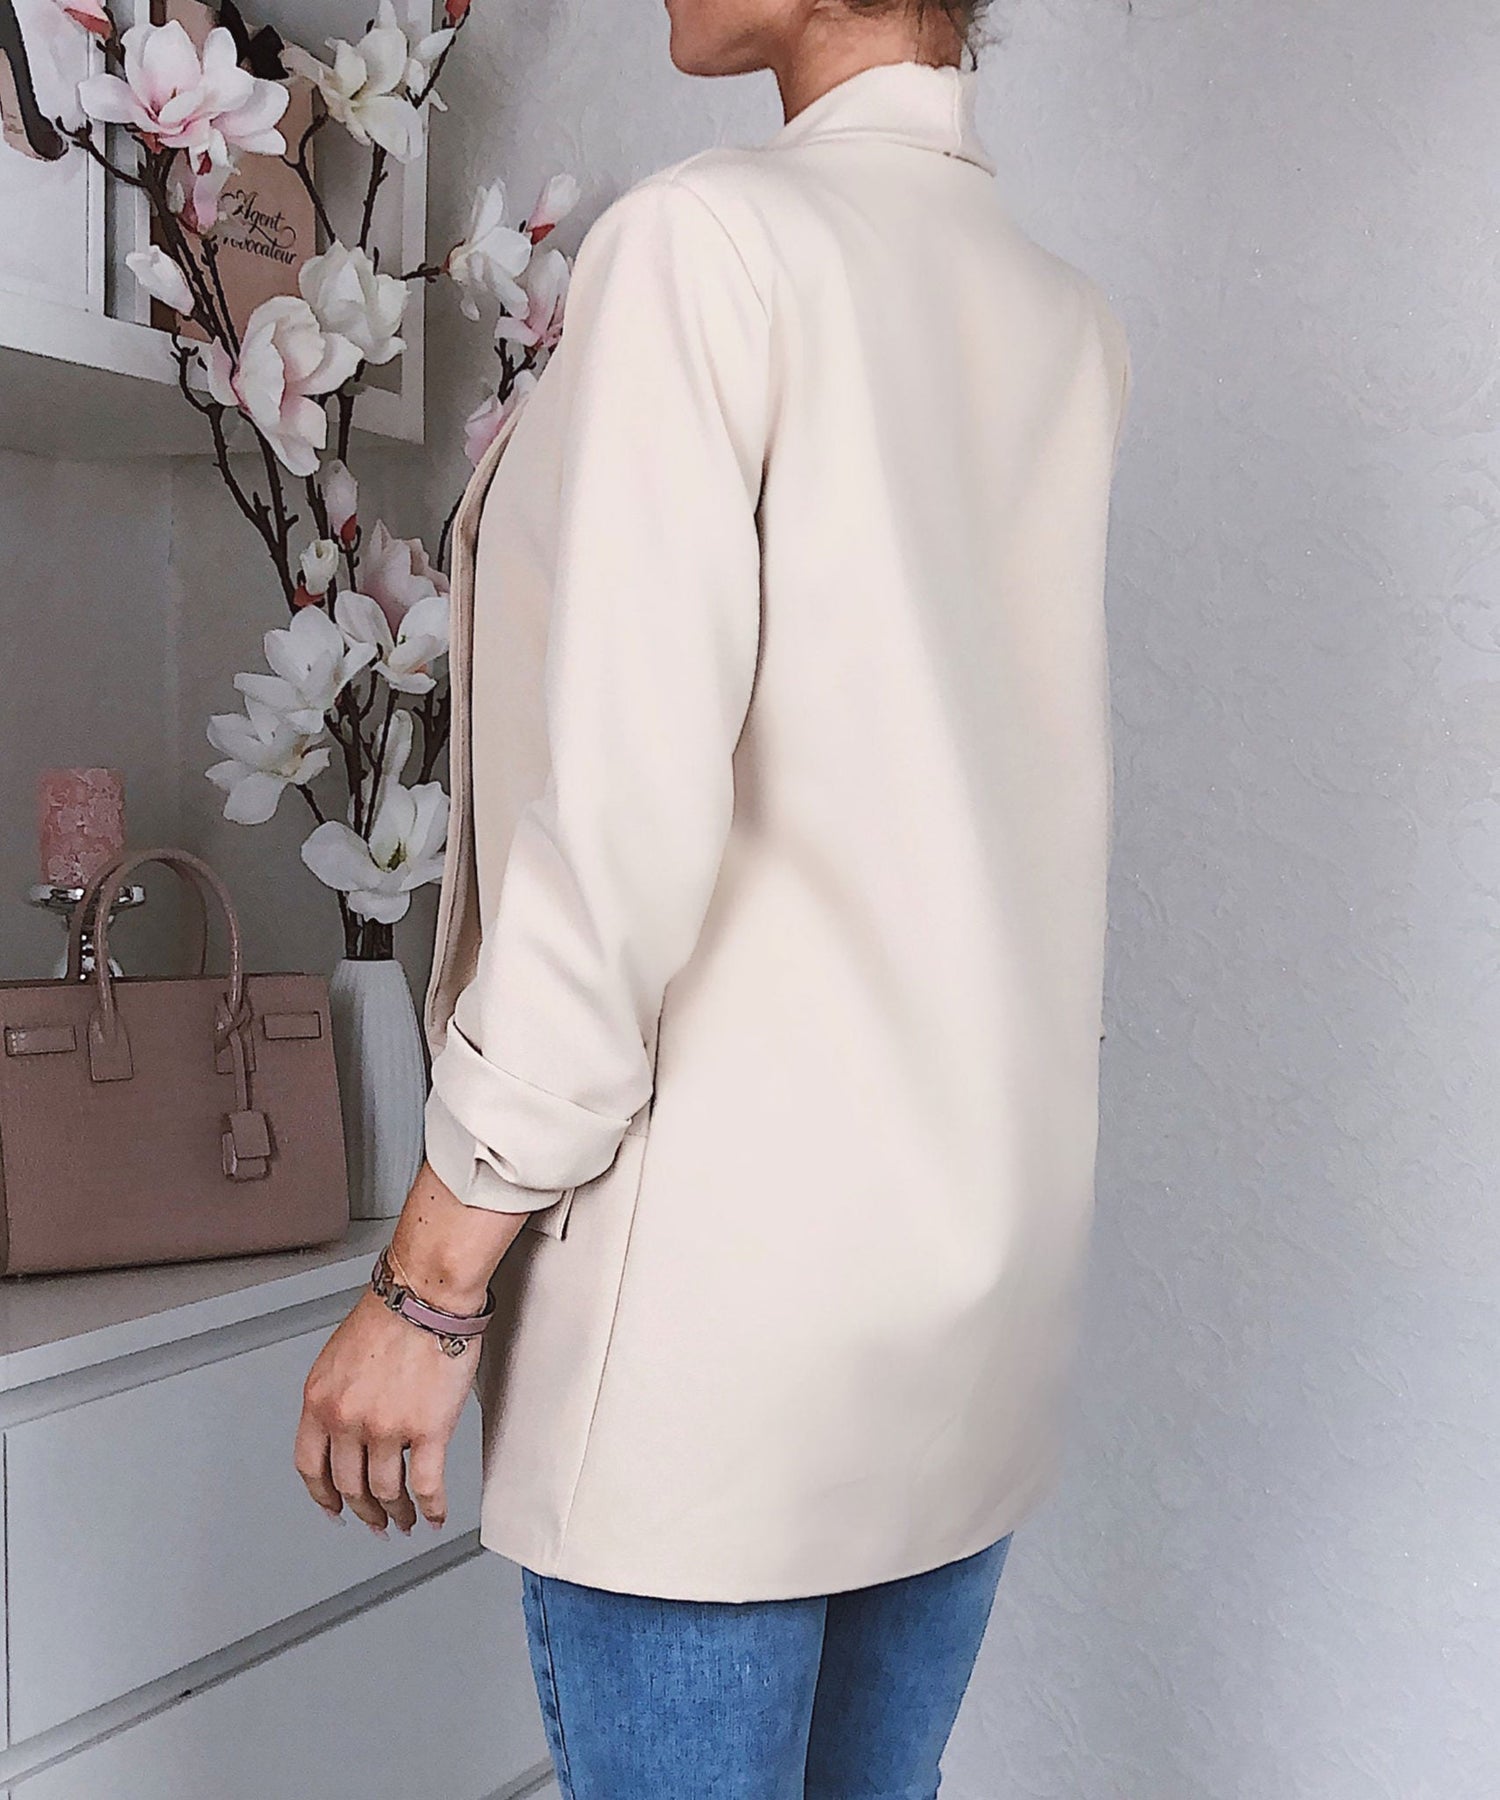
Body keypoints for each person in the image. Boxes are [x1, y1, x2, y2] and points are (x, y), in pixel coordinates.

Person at [295, 0, 1131, 1792]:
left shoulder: (710, 244)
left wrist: (429, 1286)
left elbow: (619, 832)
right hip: (973, 1292)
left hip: (720, 1323)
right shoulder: (1061, 318)